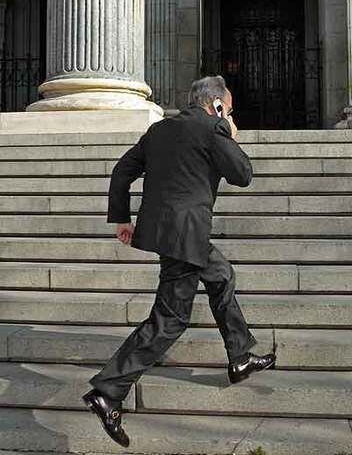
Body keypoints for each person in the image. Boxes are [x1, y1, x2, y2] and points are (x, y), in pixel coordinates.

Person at [82, 75, 276, 447]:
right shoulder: (212, 127)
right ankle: (108, 391)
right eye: (228, 109)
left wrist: (122, 218)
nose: (230, 114)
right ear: (216, 104)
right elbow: (243, 174)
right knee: (170, 320)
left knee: (221, 276)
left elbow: (122, 170)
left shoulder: (159, 130)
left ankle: (240, 355)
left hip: (171, 232)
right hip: (186, 235)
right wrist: (227, 129)